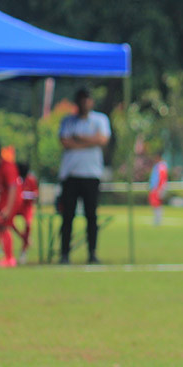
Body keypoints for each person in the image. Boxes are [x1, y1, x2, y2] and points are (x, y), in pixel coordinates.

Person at [57, 87, 110, 264]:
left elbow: (102, 140)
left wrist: (79, 138)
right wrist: (90, 141)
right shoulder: (68, 121)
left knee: (91, 216)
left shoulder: (100, 119)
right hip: (71, 175)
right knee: (68, 216)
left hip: (91, 175)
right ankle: (64, 253)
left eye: (87, 99)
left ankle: (92, 253)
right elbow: (65, 142)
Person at [16, 162, 38, 264]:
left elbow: (35, 194)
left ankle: (23, 251)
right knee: (7, 221)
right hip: (17, 206)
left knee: (28, 224)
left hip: (27, 207)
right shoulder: (16, 179)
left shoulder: (31, 180)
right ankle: (25, 239)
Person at [147, 153, 168, 226]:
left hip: (157, 188)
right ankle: (156, 219)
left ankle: (158, 220)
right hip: (154, 187)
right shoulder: (157, 166)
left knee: (157, 203)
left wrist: (161, 188)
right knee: (154, 203)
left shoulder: (161, 166)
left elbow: (162, 177)